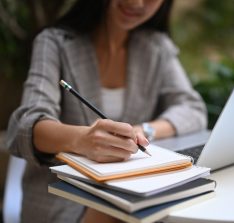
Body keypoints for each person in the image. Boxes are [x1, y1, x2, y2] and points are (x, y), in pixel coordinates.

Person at [6, 0, 207, 222]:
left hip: (135, 187)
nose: (137, 3)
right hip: (63, 197)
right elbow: (24, 126)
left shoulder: (157, 47)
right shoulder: (55, 42)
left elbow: (192, 108)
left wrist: (143, 131)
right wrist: (81, 140)